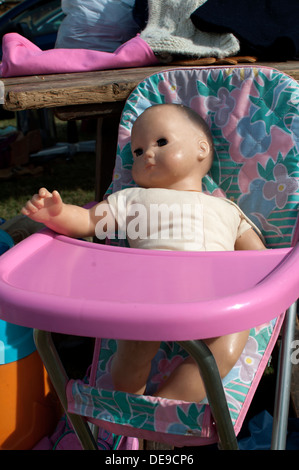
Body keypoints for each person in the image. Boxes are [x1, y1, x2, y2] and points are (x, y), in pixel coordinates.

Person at [21, 104, 265, 402]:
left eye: (161, 142)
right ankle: (130, 404)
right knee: (132, 354)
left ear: (201, 149)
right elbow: (86, 221)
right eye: (137, 152)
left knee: (226, 347)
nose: (146, 153)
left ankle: (165, 407)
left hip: (216, 301)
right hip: (147, 299)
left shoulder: (227, 209)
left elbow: (260, 260)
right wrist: (55, 214)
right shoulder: (132, 200)